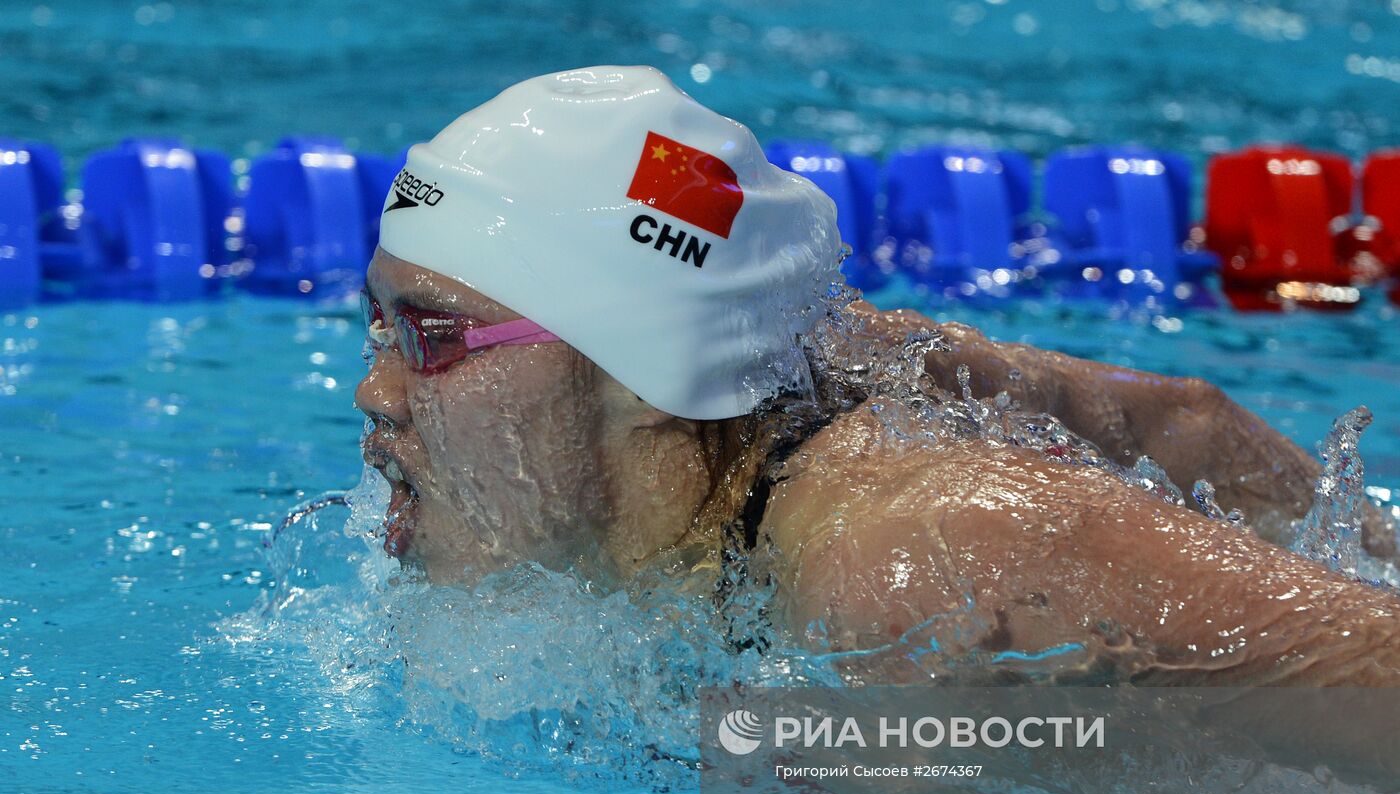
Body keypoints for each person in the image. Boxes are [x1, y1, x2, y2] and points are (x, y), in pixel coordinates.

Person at [354, 65, 1400, 687]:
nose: (378, 392)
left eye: (432, 338)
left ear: (639, 373)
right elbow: (1182, 417)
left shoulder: (913, 579)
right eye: (375, 327)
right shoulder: (802, 359)